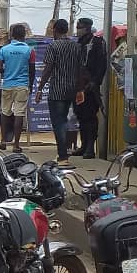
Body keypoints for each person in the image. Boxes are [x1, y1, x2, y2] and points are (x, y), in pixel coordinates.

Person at [33, 18, 80, 164]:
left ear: (55, 30)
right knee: (66, 120)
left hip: (57, 90)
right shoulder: (76, 46)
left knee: (58, 122)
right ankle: (66, 150)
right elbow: (80, 69)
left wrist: (40, 88)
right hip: (72, 89)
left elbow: (47, 69)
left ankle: (63, 156)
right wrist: (80, 89)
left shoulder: (53, 46)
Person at [0, 23, 36, 152]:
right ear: (24, 35)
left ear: (12, 35)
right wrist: (30, 85)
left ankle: (3, 141)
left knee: (5, 112)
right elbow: (32, 70)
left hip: (7, 84)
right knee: (19, 114)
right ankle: (16, 144)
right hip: (22, 85)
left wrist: (7, 71)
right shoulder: (30, 50)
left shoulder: (4, 49)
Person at [73, 16, 107, 159]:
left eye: (79, 28)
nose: (78, 31)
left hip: (91, 87)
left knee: (90, 118)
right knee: (80, 116)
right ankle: (83, 145)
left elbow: (102, 64)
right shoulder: (78, 44)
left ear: (86, 28)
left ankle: (90, 148)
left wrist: (95, 82)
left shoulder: (97, 43)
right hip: (78, 86)